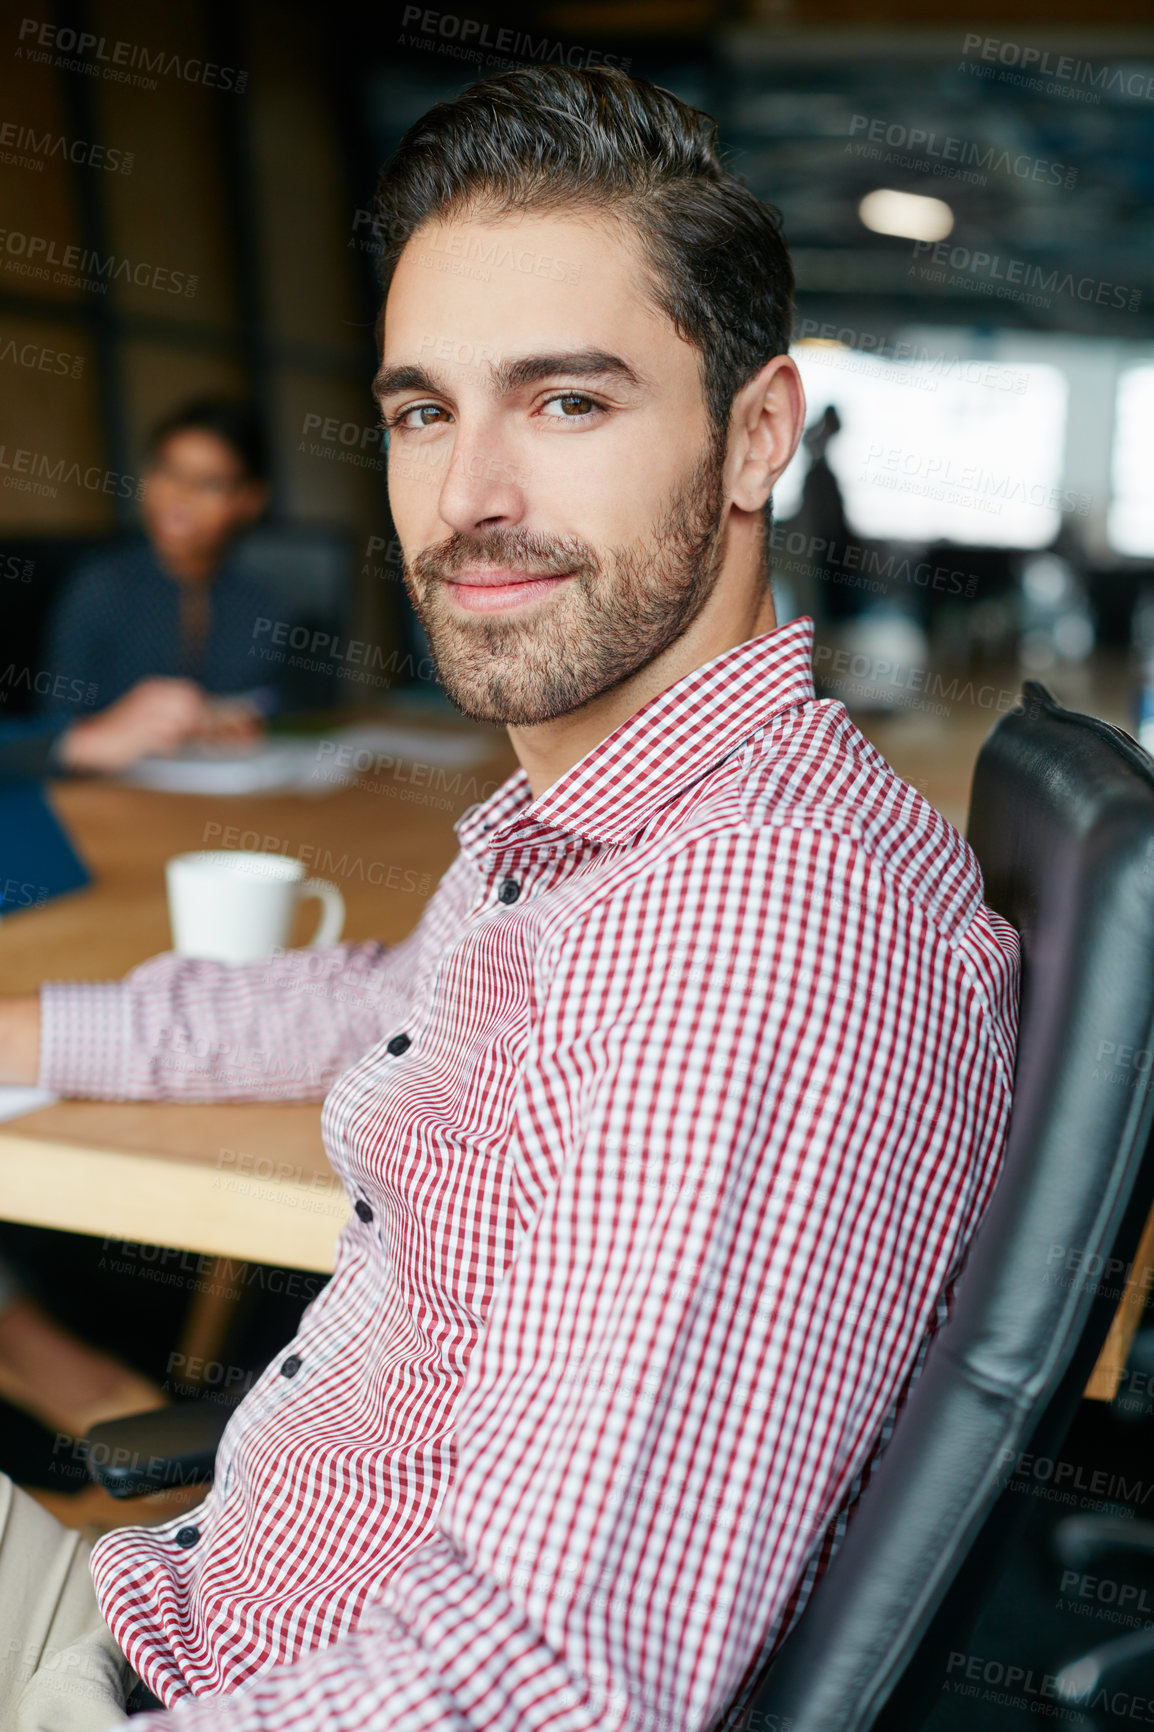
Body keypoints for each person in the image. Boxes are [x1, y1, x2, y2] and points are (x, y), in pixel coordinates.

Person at [0, 65, 1020, 1731]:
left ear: (754, 431)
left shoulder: (739, 931)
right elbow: (374, 995)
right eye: (421, 411)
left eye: (564, 403)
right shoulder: (602, 827)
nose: (467, 493)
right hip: (187, 1603)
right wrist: (34, 1023)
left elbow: (530, 1687)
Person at [38, 399, 278, 736]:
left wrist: (240, 724)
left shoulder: (260, 604)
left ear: (249, 501)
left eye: (209, 483)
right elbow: (52, 728)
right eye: (168, 471)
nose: (179, 495)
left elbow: (271, 706)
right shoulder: (100, 587)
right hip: (107, 786)